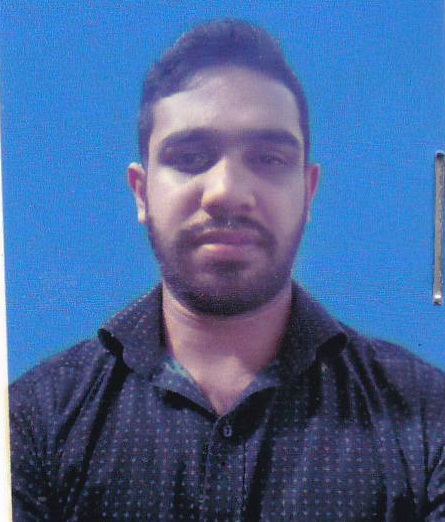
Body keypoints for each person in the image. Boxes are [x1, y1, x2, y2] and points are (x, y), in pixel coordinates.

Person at [9, 19, 445, 522]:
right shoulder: (35, 421)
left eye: (268, 158)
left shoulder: (425, 417)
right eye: (190, 157)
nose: (226, 192)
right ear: (141, 192)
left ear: (308, 191)